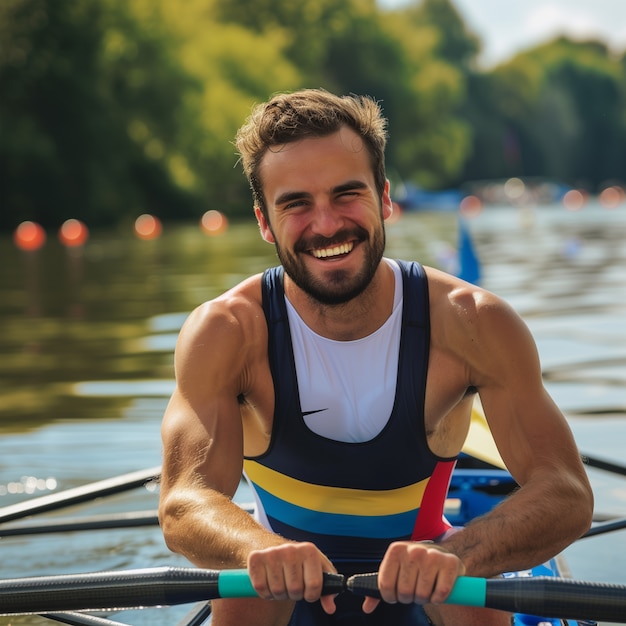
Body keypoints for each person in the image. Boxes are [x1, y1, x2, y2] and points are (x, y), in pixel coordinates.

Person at [158, 89, 593, 626]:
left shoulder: (473, 322)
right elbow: (183, 502)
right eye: (296, 204)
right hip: (278, 592)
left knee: (478, 595)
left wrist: (457, 557)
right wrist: (255, 548)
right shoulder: (225, 332)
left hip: (429, 587)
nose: (326, 224)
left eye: (347, 194)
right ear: (265, 222)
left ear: (385, 198)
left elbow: (567, 492)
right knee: (245, 591)